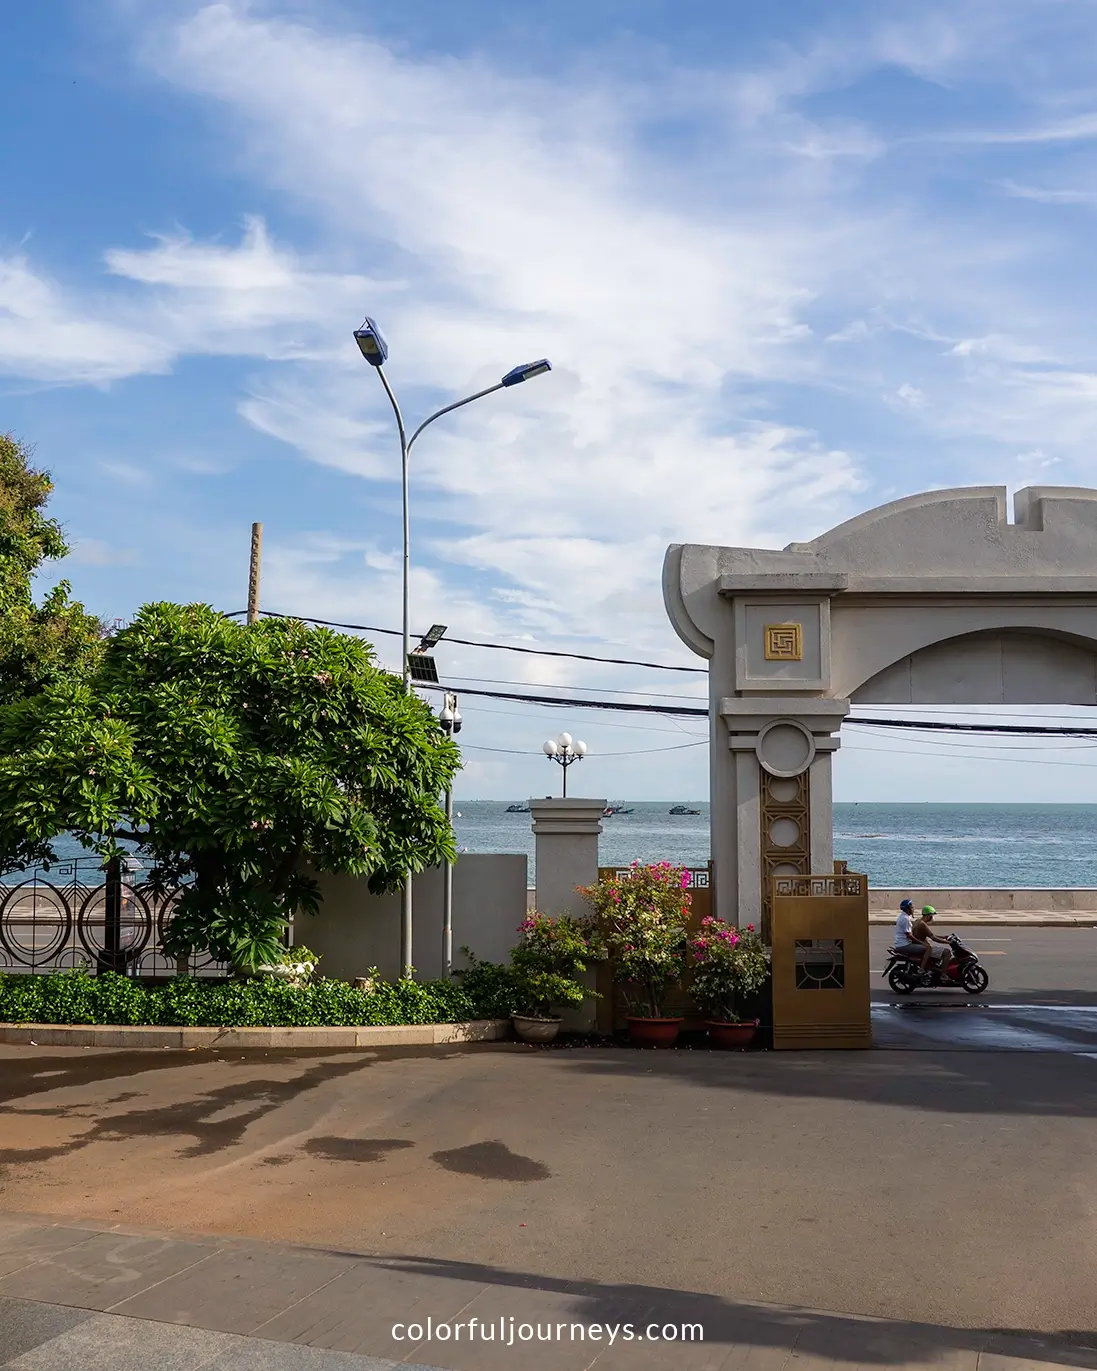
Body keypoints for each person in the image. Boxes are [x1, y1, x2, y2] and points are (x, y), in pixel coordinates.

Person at [912, 905, 951, 982]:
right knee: (947, 952)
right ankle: (943, 974)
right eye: (932, 915)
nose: (932, 917)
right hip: (923, 947)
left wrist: (943, 937)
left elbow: (929, 934)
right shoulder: (922, 924)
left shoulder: (918, 921)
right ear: (929, 915)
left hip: (920, 946)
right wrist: (948, 942)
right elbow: (933, 938)